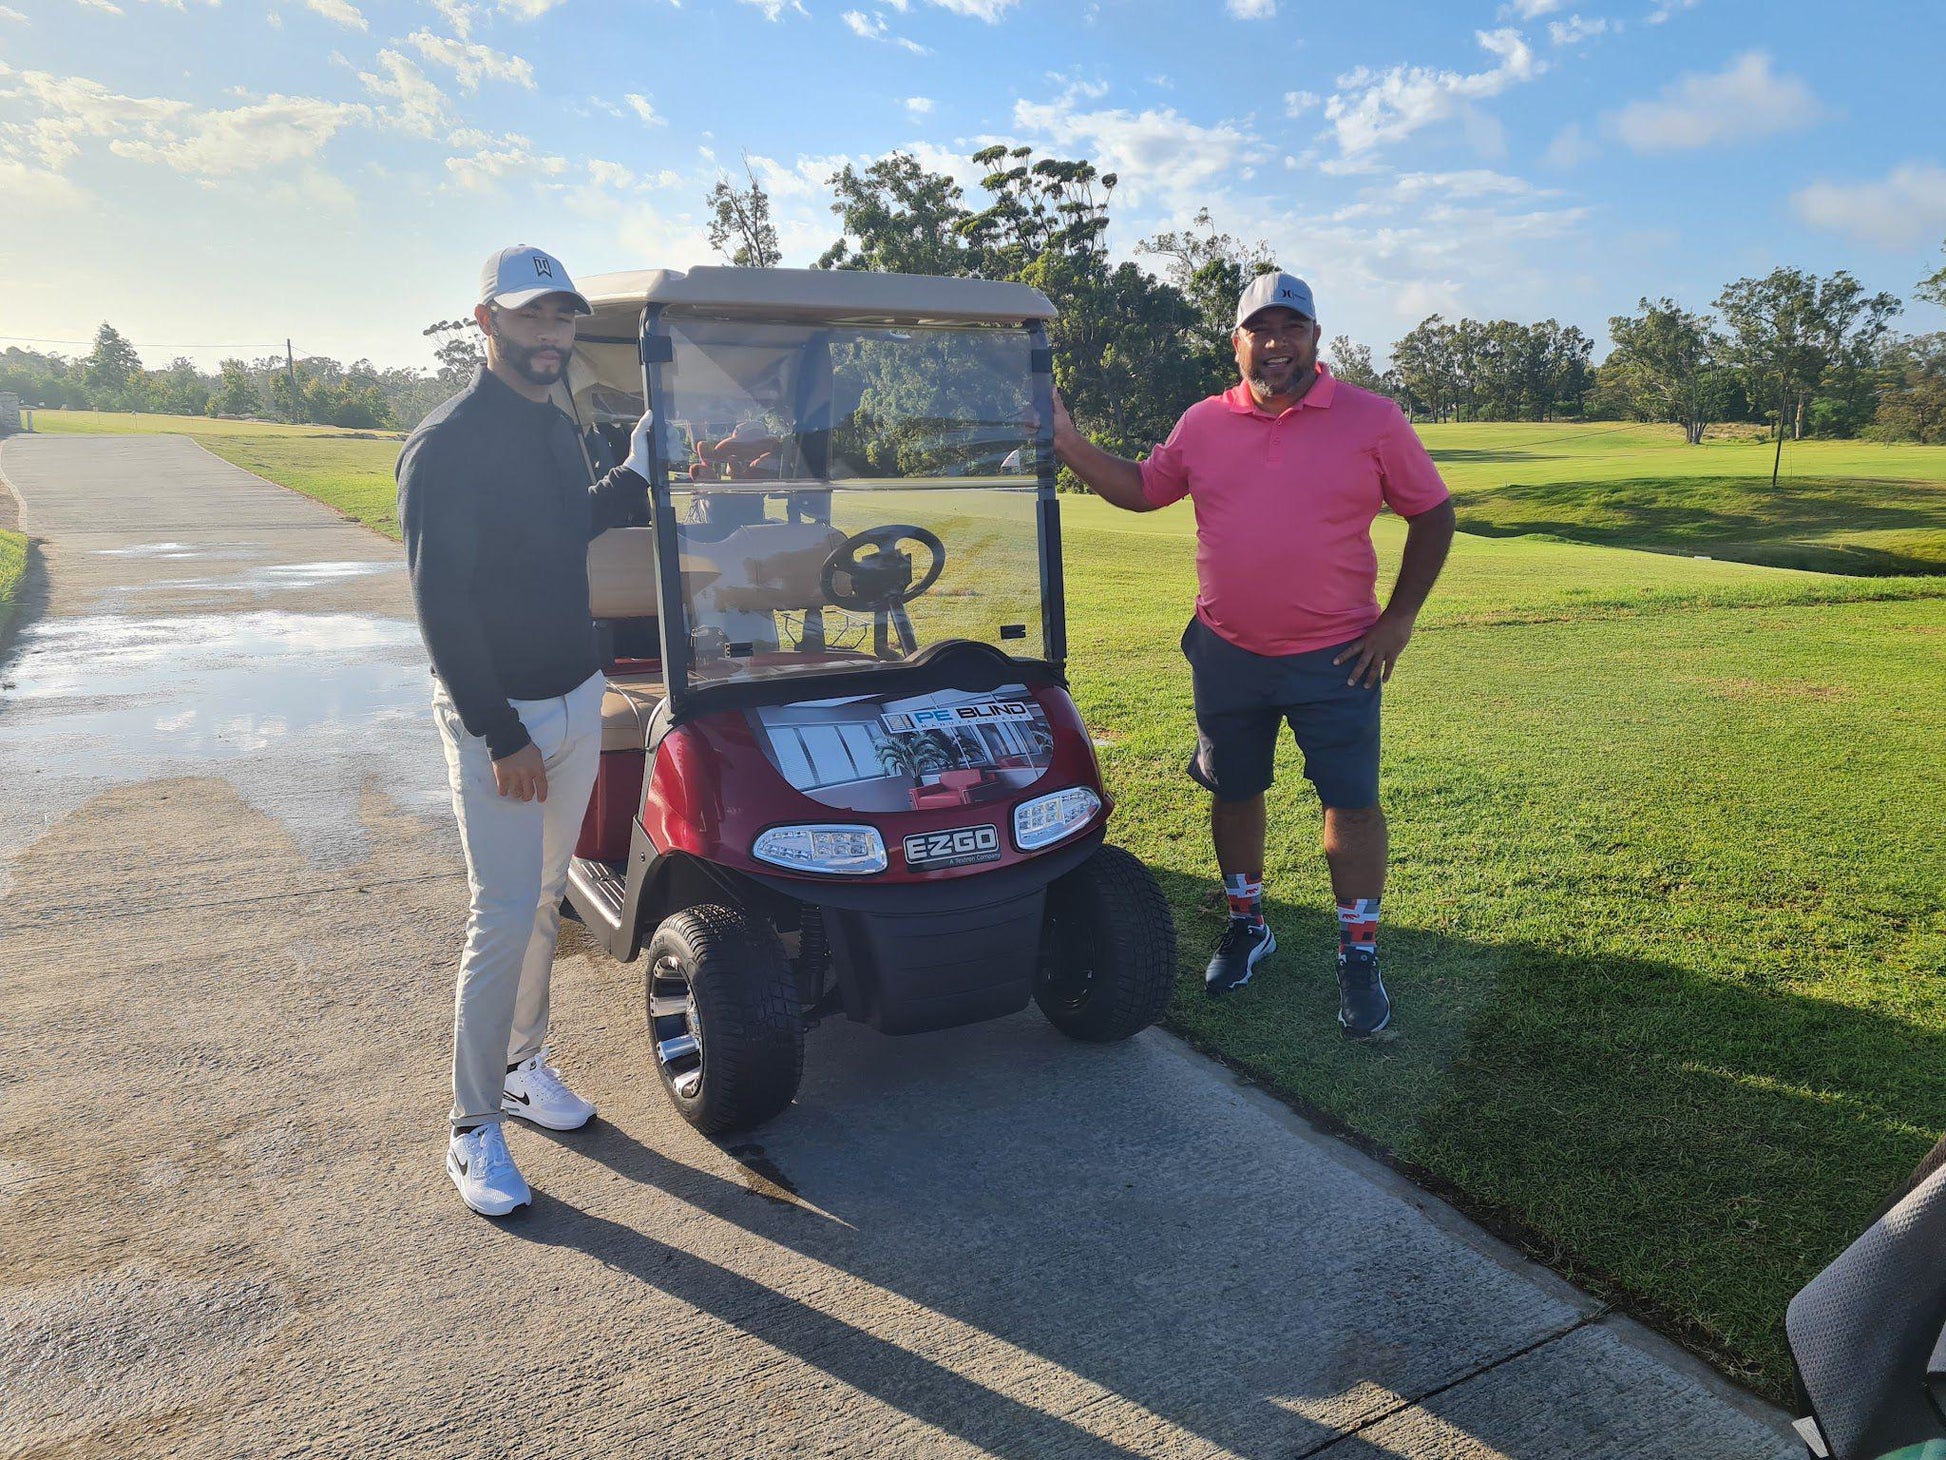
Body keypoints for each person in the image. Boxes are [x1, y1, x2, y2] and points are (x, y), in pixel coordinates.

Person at [1051, 270, 1455, 1038]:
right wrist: (1066, 441)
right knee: (1234, 791)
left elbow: (1432, 514)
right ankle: (1248, 925)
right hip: (1227, 651)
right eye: (1260, 331)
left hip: (1338, 656)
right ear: (1236, 342)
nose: (1277, 345)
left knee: (1351, 803)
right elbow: (1143, 490)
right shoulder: (1203, 421)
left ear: (1315, 338)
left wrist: (1398, 621)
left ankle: (1359, 952)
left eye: (1292, 329)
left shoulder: (1372, 419)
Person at [397, 244, 653, 1215]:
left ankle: (520, 1064)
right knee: (499, 917)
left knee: (548, 896)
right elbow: (441, 605)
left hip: (575, 694)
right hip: (497, 718)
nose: (551, 334)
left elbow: (561, 533)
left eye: (561, 318)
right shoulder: (447, 444)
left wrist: (628, 477)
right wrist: (498, 731)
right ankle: (471, 1127)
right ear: (487, 321)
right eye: (532, 316)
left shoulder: (555, 430)